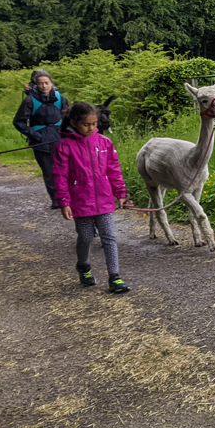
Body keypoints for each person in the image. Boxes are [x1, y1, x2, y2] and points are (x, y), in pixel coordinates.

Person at [52, 102, 130, 294]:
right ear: (74, 122)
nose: (91, 128)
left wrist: (120, 193)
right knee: (85, 237)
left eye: (94, 124)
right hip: (80, 202)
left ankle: (115, 277)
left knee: (109, 237)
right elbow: (59, 176)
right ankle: (83, 266)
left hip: (104, 200)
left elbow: (114, 170)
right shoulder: (64, 146)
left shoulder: (105, 143)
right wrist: (64, 202)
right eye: (86, 124)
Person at [13, 69, 69, 208]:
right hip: (40, 141)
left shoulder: (60, 98)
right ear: (35, 85)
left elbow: (69, 118)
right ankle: (56, 200)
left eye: (46, 83)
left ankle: (68, 197)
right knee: (49, 171)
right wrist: (35, 135)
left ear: (51, 83)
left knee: (66, 169)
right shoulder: (30, 100)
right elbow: (19, 122)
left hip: (60, 138)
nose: (44, 86)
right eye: (40, 83)